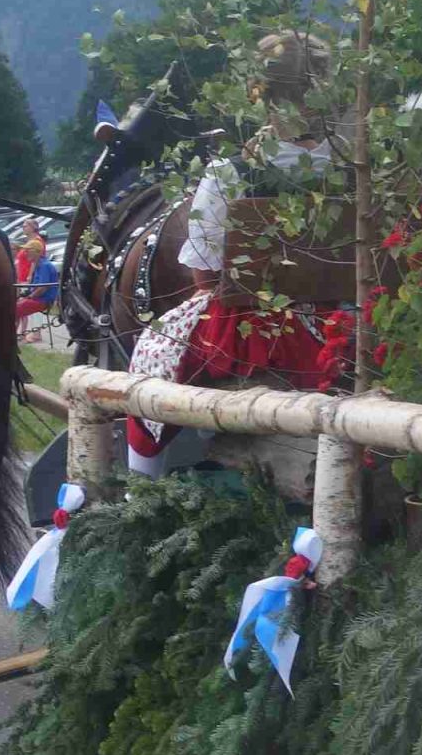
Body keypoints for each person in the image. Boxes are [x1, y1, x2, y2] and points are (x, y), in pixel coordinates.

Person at [124, 30, 353, 473]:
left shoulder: (230, 173)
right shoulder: (351, 169)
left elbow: (204, 274)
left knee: (153, 351)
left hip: (258, 333)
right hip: (338, 323)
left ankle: (141, 482)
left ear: (260, 96)